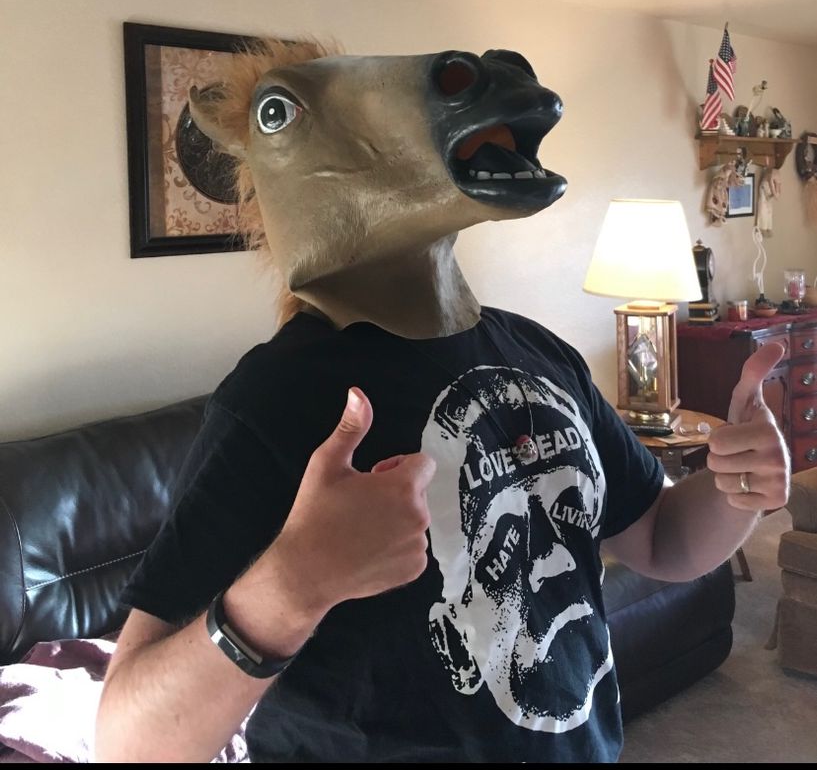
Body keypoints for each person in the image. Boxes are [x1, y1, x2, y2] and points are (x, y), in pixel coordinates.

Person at [95, 43, 790, 764]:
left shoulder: (540, 354)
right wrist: (292, 584)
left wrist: (736, 487)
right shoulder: (275, 399)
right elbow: (127, 742)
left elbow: (661, 541)